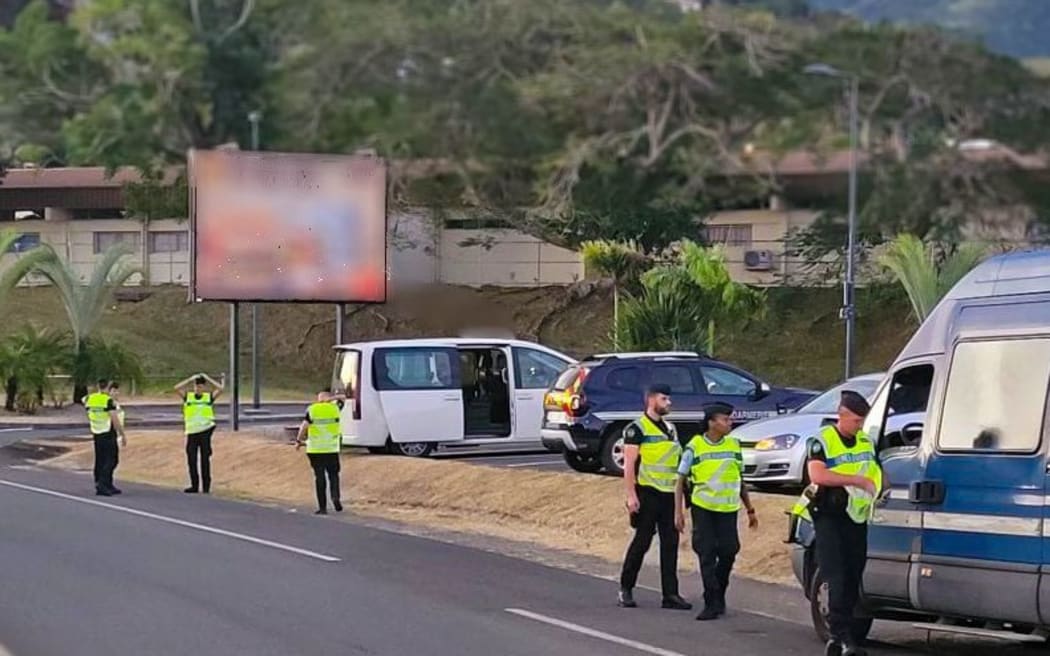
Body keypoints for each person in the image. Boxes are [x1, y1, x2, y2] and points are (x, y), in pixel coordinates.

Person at [805, 391, 882, 656]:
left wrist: (880, 487)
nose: (859, 426)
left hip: (856, 517)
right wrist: (857, 481)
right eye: (856, 421)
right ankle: (842, 636)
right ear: (842, 415)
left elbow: (876, 471)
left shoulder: (866, 442)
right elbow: (817, 474)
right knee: (835, 574)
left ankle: (839, 639)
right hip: (829, 516)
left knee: (852, 575)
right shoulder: (822, 440)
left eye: (862, 421)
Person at [675, 402, 758, 621]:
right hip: (704, 508)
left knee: (730, 551)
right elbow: (680, 479)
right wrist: (679, 512)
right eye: (725, 419)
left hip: (728, 508)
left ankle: (718, 591)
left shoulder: (733, 445)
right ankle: (712, 601)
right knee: (707, 552)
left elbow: (740, 479)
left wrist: (750, 509)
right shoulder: (695, 446)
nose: (730, 423)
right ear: (712, 422)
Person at [617, 383, 692, 611]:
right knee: (642, 541)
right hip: (648, 493)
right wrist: (631, 495)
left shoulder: (670, 428)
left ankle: (670, 594)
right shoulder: (637, 429)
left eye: (668, 399)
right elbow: (629, 465)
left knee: (670, 544)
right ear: (651, 400)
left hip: (669, 494)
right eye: (664, 399)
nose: (668, 403)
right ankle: (626, 587)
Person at [295, 391, 345, 515]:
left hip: (315, 449)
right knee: (334, 475)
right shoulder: (335, 408)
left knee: (320, 477)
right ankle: (335, 497)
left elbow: (304, 427)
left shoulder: (312, 410)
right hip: (331, 448)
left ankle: (322, 508)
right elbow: (343, 397)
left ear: (318, 399)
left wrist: (299, 440)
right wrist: (330, 399)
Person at [174, 373, 224, 494]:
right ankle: (194, 485)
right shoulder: (188, 397)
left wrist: (207, 378)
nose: (198, 389)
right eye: (196, 386)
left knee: (205, 460)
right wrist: (190, 379)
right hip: (191, 432)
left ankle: (206, 486)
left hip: (205, 431)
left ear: (204, 387)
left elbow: (221, 389)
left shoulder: (208, 397)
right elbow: (176, 388)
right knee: (191, 459)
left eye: (200, 386)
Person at [83, 379, 126, 496]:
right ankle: (102, 484)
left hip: (96, 431)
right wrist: (122, 433)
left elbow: (86, 405)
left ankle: (105, 483)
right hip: (108, 431)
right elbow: (114, 418)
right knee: (112, 459)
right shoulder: (108, 401)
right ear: (107, 388)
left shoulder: (90, 399)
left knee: (100, 459)